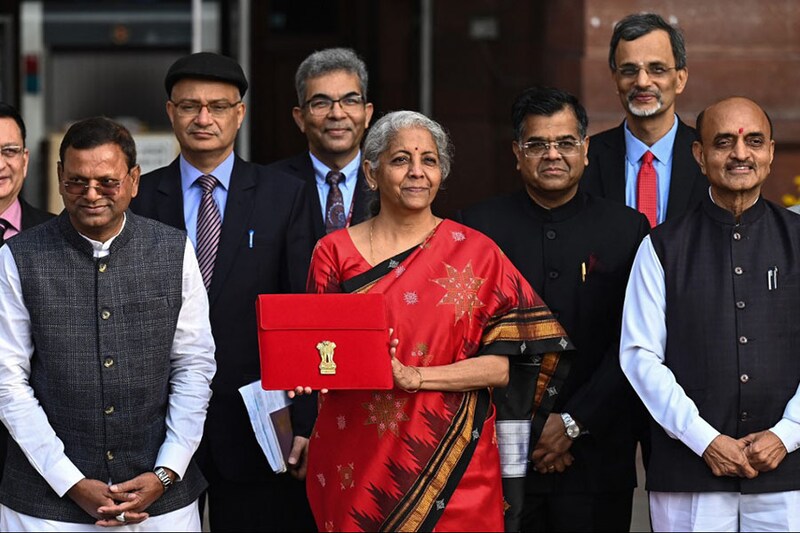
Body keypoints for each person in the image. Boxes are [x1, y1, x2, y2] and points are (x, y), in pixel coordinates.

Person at [296, 110, 573, 532]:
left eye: (429, 160)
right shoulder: (333, 252)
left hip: (455, 463)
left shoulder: (477, 253)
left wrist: (417, 377)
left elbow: (503, 368)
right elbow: (321, 354)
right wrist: (304, 370)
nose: (416, 172)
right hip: (357, 462)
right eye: (400, 159)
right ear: (371, 172)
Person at [129, 52, 316, 532]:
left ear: (240, 113)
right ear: (170, 113)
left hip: (257, 419)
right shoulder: (138, 198)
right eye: (190, 106)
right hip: (157, 421)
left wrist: (306, 420)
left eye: (217, 106)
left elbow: (302, 311)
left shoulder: (284, 195)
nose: (203, 118)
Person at [0, 116, 215, 531]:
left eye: (107, 182)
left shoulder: (173, 249)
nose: (91, 194)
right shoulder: (18, 256)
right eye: (77, 182)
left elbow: (194, 366)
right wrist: (70, 481)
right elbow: (8, 381)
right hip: (44, 508)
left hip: (161, 502)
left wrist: (166, 471)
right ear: (59, 177)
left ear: (134, 180)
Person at [461, 86, 649, 532]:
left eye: (565, 142)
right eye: (537, 144)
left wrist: (572, 423)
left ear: (585, 149)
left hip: (598, 456)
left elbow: (637, 342)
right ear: (516, 152)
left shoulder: (626, 229)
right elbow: (467, 339)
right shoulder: (477, 230)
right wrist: (527, 426)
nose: (552, 154)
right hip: (500, 453)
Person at [620, 96, 800, 532]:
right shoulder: (661, 246)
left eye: (753, 141)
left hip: (789, 472)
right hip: (690, 473)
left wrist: (787, 433)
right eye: (723, 143)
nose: (740, 153)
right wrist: (705, 440)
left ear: (770, 152)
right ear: (700, 155)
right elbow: (640, 356)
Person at [581, 12, 707, 227]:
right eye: (629, 70)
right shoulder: (585, 159)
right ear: (615, 79)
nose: (642, 82)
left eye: (657, 69)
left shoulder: (711, 158)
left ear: (680, 79)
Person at [0, 101, 54, 483]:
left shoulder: (58, 235)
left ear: (25, 158)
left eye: (9, 151)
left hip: (38, 438)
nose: (1, 164)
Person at [267, 47, 375, 239]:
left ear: (367, 114)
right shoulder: (271, 185)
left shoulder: (388, 182)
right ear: (300, 118)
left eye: (350, 101)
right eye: (321, 103)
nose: (337, 114)